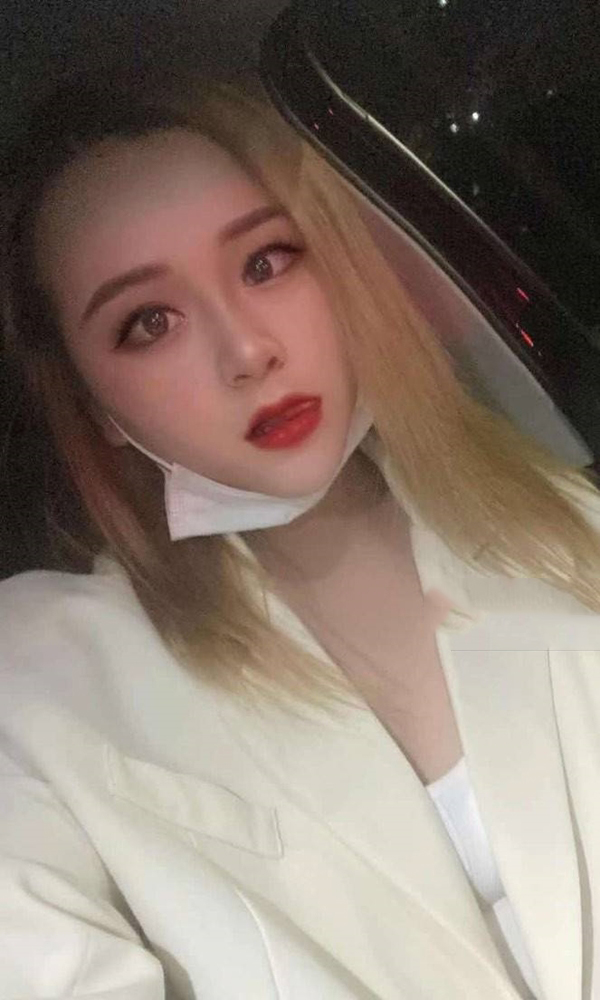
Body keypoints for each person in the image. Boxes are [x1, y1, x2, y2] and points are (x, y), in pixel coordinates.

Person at [1, 69, 599, 1000]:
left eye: (267, 262)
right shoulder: (37, 679)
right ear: (95, 407)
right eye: (149, 323)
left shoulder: (569, 525)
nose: (247, 352)